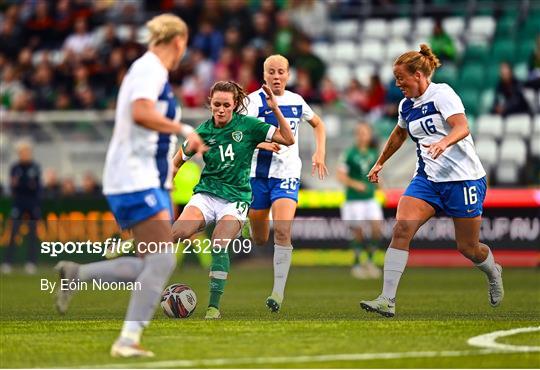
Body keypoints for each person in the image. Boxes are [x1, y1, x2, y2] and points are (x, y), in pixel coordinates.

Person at [54, 14, 203, 357]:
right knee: (163, 262)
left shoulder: (150, 70)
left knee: (151, 261)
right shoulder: (149, 69)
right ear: (179, 41)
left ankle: (78, 274)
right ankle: (127, 340)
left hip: (146, 178)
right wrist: (183, 131)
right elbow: (140, 112)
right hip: (134, 177)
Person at [360, 44, 504, 318]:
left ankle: (493, 271)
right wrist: (380, 161)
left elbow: (462, 127)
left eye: (401, 77)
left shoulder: (442, 94)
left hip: (464, 180)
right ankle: (386, 299)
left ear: (418, 75)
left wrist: (443, 143)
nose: (397, 83)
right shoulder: (406, 105)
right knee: (402, 229)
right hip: (427, 179)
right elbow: (399, 135)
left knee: (468, 248)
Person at [171, 81, 295, 319]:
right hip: (206, 195)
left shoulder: (248, 126)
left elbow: (287, 139)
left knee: (219, 243)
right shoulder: (202, 133)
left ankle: (213, 307)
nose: (221, 109)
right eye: (216, 104)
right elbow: (177, 161)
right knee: (175, 234)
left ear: (235, 104)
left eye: (226, 105)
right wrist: (169, 179)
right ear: (210, 104)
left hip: (236, 198)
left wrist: (275, 108)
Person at [245, 54, 328, 312]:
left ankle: (277, 293)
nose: (277, 76)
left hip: (287, 175)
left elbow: (318, 124)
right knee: (260, 238)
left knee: (283, 230)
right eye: (272, 71)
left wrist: (319, 152)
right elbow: (240, 134)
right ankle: (257, 223)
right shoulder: (250, 102)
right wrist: (260, 143)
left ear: (288, 75)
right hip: (257, 176)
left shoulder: (296, 101)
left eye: (281, 71)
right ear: (264, 74)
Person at [337, 123, 383, 280]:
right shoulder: (349, 154)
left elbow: (376, 175)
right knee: (358, 232)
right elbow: (341, 176)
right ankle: (357, 263)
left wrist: (379, 185)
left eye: (365, 133)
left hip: (370, 198)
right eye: (360, 133)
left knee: (377, 227)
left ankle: (370, 261)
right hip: (353, 199)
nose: (363, 136)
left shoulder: (373, 153)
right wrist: (355, 184)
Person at [1, 140, 41, 275]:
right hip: (18, 203)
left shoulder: (35, 167)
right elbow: (15, 186)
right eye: (23, 152)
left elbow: (35, 186)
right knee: (14, 233)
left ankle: (31, 262)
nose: (25, 154)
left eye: (27, 152)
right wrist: (26, 185)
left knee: (32, 235)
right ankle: (7, 262)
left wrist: (23, 185)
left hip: (32, 203)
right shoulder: (15, 167)